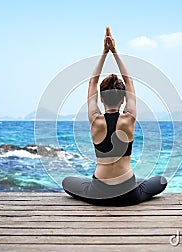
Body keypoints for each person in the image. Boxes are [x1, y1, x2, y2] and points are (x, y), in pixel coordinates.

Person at [62, 27, 167, 206]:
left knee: (66, 182)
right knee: (161, 181)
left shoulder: (95, 120)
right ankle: (136, 184)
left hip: (98, 192)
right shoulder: (129, 119)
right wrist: (115, 51)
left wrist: (104, 52)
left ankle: (100, 186)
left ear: (101, 98)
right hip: (128, 193)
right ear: (124, 98)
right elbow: (130, 81)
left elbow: (92, 82)